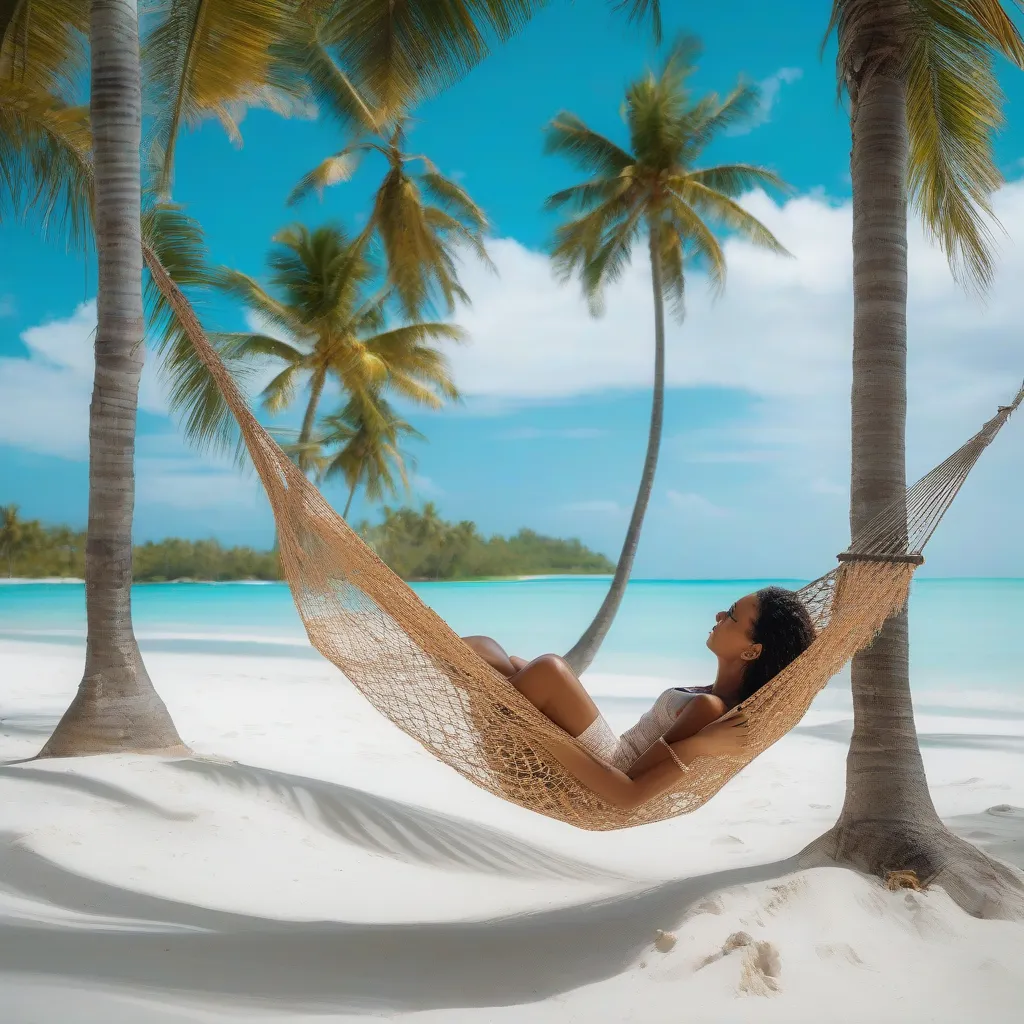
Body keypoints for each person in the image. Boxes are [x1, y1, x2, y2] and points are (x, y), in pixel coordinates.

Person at [462, 586, 816, 810]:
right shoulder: (708, 696)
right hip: (602, 754)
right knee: (493, 654)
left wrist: (540, 731)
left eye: (732, 616)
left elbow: (629, 790)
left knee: (548, 669)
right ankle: (484, 702)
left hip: (596, 774)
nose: (719, 616)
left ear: (752, 652)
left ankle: (491, 720)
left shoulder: (709, 709)